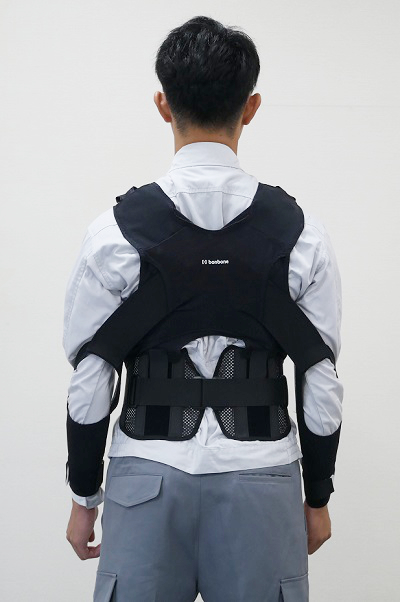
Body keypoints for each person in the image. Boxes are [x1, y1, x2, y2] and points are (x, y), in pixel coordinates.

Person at [64, 15, 343, 602]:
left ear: (163, 105)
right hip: (261, 484)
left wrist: (85, 496)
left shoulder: (113, 232)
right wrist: (317, 496)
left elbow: (90, 379)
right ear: (252, 106)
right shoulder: (302, 235)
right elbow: (320, 379)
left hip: (145, 483)